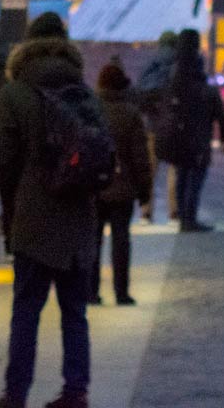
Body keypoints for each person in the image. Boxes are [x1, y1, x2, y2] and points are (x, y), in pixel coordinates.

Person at [0, 11, 98, 408]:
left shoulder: (15, 92)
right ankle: (76, 391)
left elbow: (2, 161)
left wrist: (11, 208)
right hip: (77, 219)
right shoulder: (84, 92)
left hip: (33, 219)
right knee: (75, 312)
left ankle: (15, 394)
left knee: (26, 312)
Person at [91, 63, 152, 306]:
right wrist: (144, 191)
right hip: (123, 189)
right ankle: (121, 292)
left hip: (95, 188)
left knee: (93, 241)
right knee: (121, 241)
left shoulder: (92, 110)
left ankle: (91, 291)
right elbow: (140, 157)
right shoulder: (130, 113)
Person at [164, 28, 224, 233]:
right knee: (195, 178)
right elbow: (220, 113)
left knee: (182, 176)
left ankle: (183, 217)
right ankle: (189, 219)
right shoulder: (200, 73)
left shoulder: (173, 72)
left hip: (178, 135)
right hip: (199, 135)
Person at [133, 32, 178, 224]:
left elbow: (138, 94)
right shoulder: (178, 66)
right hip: (173, 126)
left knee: (150, 170)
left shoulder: (151, 66)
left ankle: (145, 211)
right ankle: (174, 212)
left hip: (151, 125)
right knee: (173, 170)